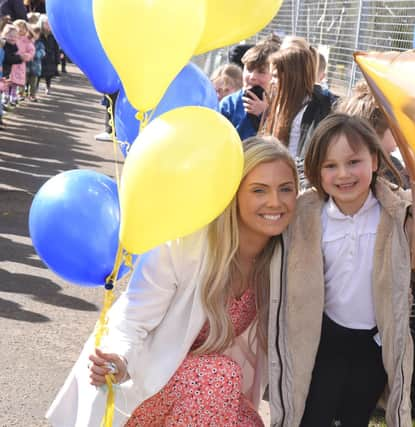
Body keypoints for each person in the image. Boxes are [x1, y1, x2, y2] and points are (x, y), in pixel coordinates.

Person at [46, 138, 299, 426]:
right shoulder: (182, 244)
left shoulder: (283, 258)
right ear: (233, 193)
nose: (275, 202)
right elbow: (133, 316)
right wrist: (119, 358)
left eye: (286, 189)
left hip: (209, 397)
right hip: (146, 386)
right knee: (220, 374)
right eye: (258, 190)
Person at [268, 113, 415, 426]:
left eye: (353, 161)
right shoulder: (305, 216)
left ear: (374, 160)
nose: (343, 174)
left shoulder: (400, 217)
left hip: (373, 344)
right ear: (317, 170)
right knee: (312, 415)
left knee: (356, 415)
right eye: (330, 165)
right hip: (321, 340)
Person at [261, 45, 333, 188]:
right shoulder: (278, 102)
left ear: (292, 76)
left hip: (299, 183)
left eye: (275, 76)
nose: (272, 81)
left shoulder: (316, 109)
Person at [219, 39, 280, 140]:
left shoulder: (279, 106)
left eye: (261, 72)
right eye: (249, 70)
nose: (252, 77)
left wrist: (264, 114)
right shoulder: (229, 104)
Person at [39, 17, 59, 95]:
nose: (48, 26)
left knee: (49, 75)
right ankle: (35, 88)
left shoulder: (53, 36)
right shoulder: (39, 35)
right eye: (46, 24)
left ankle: (48, 87)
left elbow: (56, 48)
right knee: (39, 74)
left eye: (49, 24)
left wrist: (57, 60)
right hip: (41, 58)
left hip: (50, 58)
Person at [25, 25, 44, 102]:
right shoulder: (26, 41)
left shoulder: (40, 44)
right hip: (26, 65)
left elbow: (42, 52)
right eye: (33, 33)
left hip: (35, 66)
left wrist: (35, 54)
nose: (35, 35)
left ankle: (32, 95)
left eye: (37, 34)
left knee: (33, 83)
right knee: (24, 81)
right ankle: (22, 94)